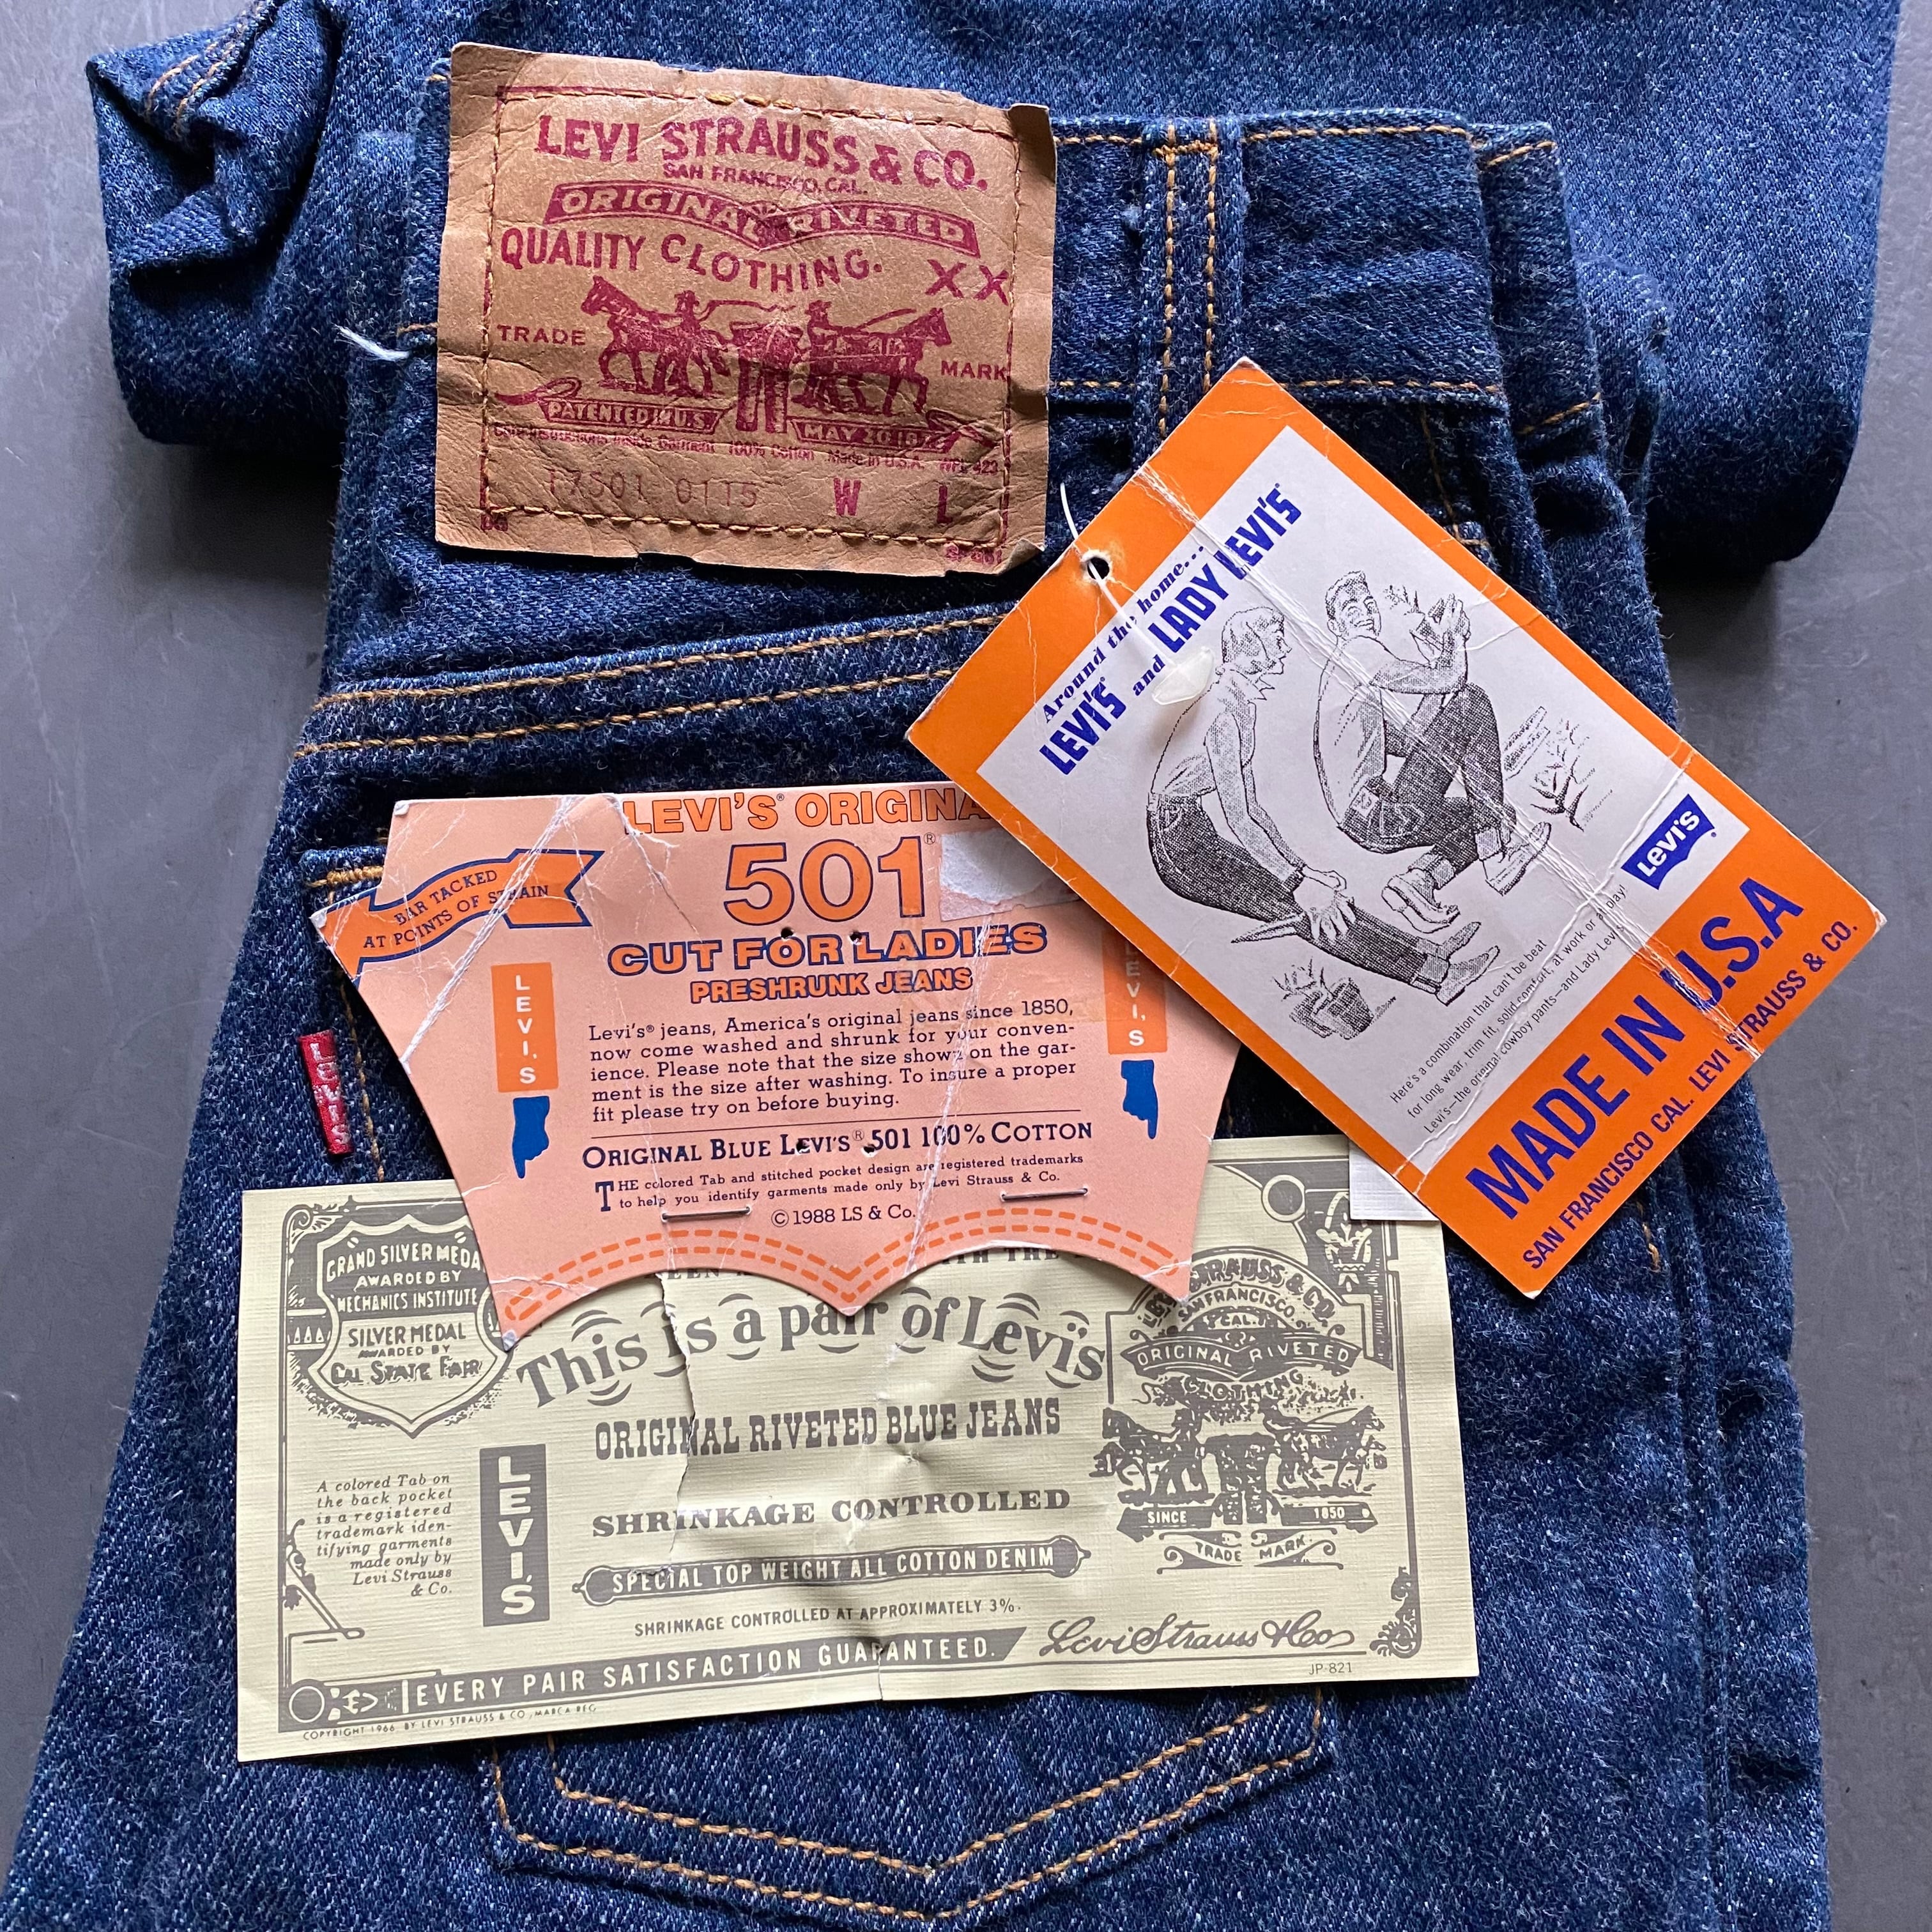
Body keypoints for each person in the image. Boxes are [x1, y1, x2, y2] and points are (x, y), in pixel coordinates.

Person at [1147, 606, 1498, 1006]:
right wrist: (1298, 884)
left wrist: (1303, 870)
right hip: (1180, 845)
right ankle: (1439, 977)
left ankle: (1426, 952)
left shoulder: (1241, 705)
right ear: (1253, 648)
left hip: (1189, 827)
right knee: (1309, 910)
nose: (1284, 646)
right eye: (1276, 638)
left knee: (1319, 898)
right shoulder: (1224, 716)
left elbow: (1254, 809)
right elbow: (1239, 818)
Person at [1312, 572, 1551, 931]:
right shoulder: (1357, 650)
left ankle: (1420, 881)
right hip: (1378, 812)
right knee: (1471, 702)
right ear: (1336, 626)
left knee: (1497, 814)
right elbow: (1454, 681)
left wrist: (1439, 665)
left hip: (1370, 819)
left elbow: (1409, 742)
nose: (1365, 612)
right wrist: (1454, 637)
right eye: (1351, 608)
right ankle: (1496, 861)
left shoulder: (1348, 685)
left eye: (1369, 604)